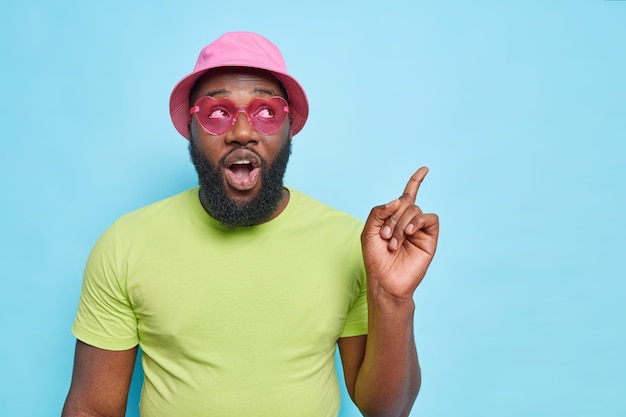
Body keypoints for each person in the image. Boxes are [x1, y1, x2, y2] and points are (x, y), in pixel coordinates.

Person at [61, 31, 439, 417]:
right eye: (218, 112)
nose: (242, 132)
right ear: (188, 130)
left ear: (289, 127)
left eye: (266, 112)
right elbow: (92, 408)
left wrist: (393, 299)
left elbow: (386, 411)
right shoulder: (126, 244)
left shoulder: (349, 243)